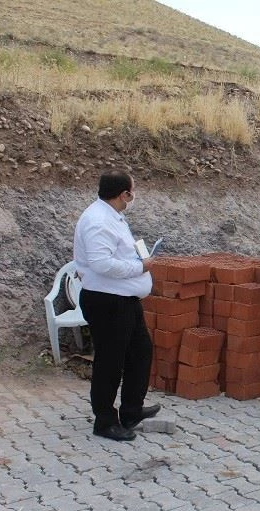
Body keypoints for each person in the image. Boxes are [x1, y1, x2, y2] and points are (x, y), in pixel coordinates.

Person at [73, 170, 161, 441]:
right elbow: (101, 264)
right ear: (124, 194)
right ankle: (104, 421)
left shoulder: (113, 216)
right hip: (107, 302)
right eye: (132, 191)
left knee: (140, 351)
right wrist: (140, 266)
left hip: (125, 299)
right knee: (110, 362)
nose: (133, 196)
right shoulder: (97, 221)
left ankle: (131, 410)